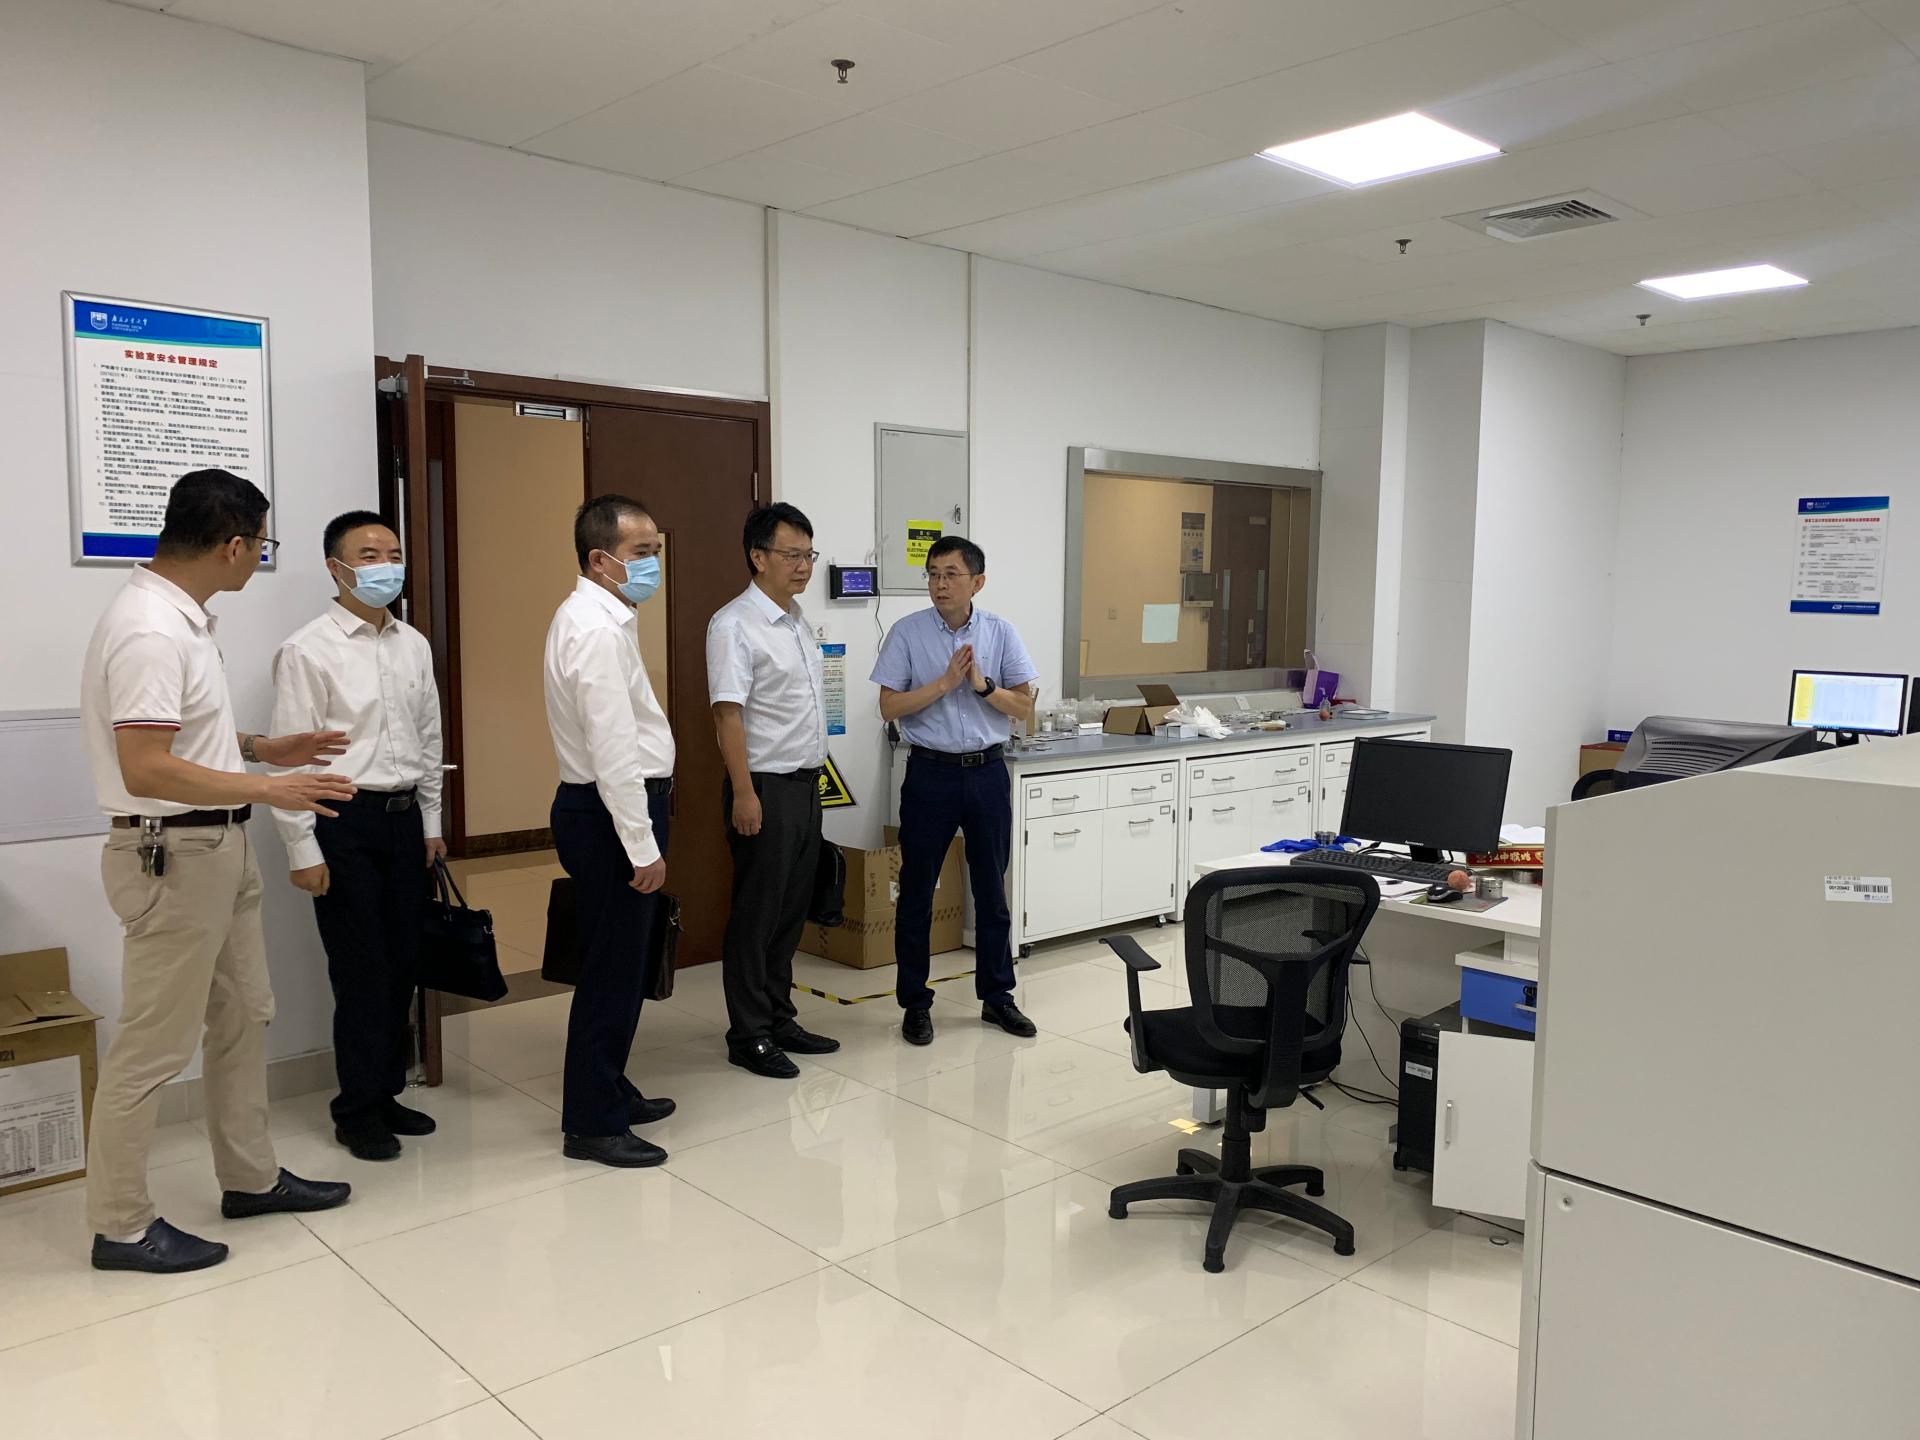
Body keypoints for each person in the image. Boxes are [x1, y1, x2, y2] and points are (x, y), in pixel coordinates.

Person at [78, 468, 356, 1275]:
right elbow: (146, 766)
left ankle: (251, 1178)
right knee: (152, 1046)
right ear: (233, 544)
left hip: (217, 847)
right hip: (173, 856)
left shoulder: (184, 620)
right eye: (262, 545)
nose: (260, 558)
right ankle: (121, 1226)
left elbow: (183, 735)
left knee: (243, 1016)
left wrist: (265, 749)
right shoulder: (149, 629)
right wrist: (270, 789)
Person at [269, 512, 445, 1162]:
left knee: (403, 962)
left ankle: (387, 1090)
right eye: (369, 555)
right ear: (335, 567)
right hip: (343, 819)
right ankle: (356, 1109)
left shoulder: (412, 644)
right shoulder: (307, 650)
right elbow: (291, 760)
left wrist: (431, 823)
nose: (386, 566)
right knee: (361, 969)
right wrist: (302, 848)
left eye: (393, 553)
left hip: (404, 821)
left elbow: (429, 737)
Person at [542, 494, 677, 1168]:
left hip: (611, 809)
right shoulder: (594, 630)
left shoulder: (606, 618)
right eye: (640, 553)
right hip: (610, 814)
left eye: (656, 550)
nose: (654, 564)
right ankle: (592, 1122)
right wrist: (642, 846)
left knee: (624, 965)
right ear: (600, 560)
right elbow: (613, 752)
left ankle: (611, 1086)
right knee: (610, 971)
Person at [871, 535, 1040, 1047]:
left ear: (977, 582)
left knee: (991, 890)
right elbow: (888, 707)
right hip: (931, 773)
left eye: (951, 574)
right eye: (933, 574)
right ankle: (915, 1003)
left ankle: (997, 997)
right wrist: (944, 684)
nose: (940, 584)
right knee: (916, 891)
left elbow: (1024, 707)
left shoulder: (1001, 632)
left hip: (987, 772)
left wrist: (983, 687)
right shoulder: (907, 632)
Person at [706, 503, 839, 1078]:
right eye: (792, 555)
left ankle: (780, 1018)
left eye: (809, 554)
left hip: (805, 786)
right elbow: (727, 715)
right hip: (763, 786)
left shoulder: (797, 621)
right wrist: (743, 792)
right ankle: (749, 1033)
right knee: (757, 915)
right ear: (758, 557)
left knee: (790, 912)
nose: (804, 565)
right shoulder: (734, 624)